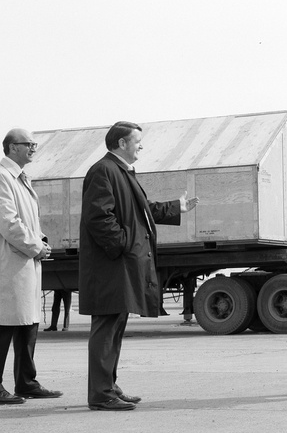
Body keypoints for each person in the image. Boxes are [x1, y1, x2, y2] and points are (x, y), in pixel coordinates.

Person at [78, 122, 198, 411]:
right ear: (121, 144)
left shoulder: (118, 171)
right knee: (106, 329)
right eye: (137, 141)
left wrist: (176, 207)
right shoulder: (104, 171)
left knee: (115, 327)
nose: (141, 146)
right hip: (112, 265)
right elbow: (99, 217)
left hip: (118, 264)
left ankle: (109, 386)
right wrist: (121, 245)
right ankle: (100, 393)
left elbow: (142, 209)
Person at [0, 128, 61, 405]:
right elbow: (9, 223)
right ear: (12, 148)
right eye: (29, 144)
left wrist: (41, 241)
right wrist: (37, 247)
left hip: (23, 261)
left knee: (27, 323)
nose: (34, 148)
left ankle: (26, 382)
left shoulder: (21, 179)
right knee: (2, 324)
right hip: (7, 264)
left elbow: (28, 222)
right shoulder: (0, 178)